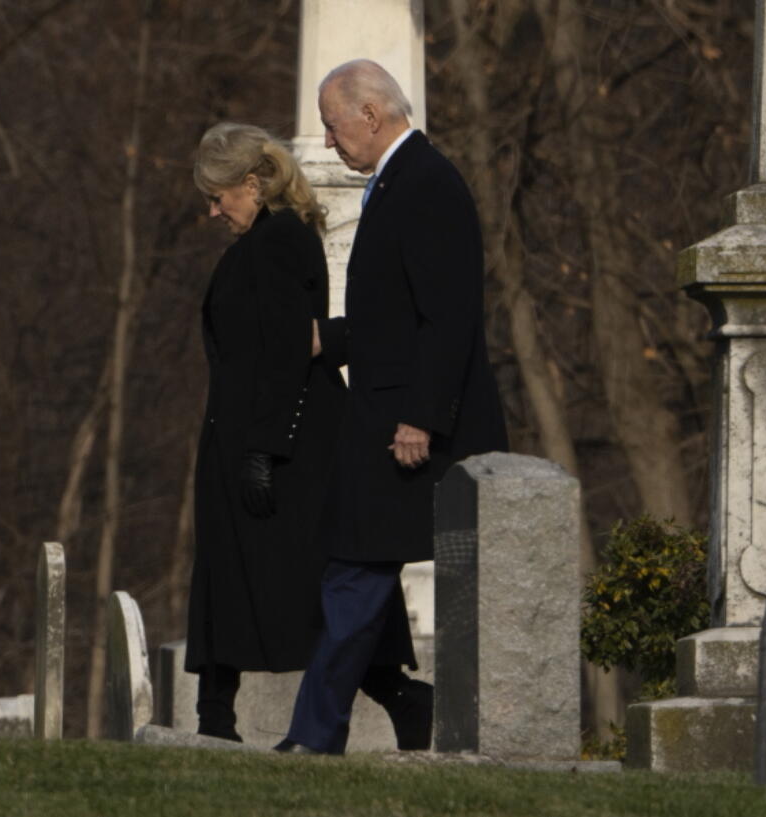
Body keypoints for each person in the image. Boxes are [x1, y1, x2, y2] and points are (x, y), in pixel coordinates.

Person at [274, 60, 508, 755]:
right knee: (353, 571)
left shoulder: (427, 184)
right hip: (387, 420)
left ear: (370, 116)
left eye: (333, 123)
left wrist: (422, 418)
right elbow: (395, 317)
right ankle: (374, 713)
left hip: (413, 430)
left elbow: (449, 315)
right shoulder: (401, 182)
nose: (328, 139)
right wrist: (326, 338)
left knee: (356, 571)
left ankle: (317, 736)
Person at [185, 122, 346, 742]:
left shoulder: (280, 243)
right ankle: (214, 717)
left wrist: (262, 450)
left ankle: (395, 691)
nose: (213, 209)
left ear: (252, 185)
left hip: (278, 449)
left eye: (219, 195)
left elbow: (286, 354)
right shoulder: (258, 244)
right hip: (245, 440)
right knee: (227, 577)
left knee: (297, 583)